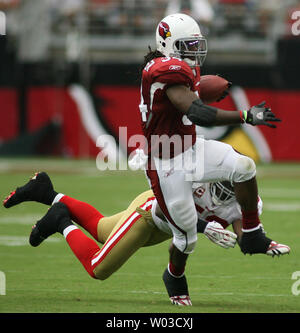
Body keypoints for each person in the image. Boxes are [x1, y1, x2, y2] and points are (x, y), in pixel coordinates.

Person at [138, 12, 284, 302]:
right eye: (188, 46)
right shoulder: (165, 70)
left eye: (196, 44)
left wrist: (200, 87)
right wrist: (244, 115)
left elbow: (191, 97)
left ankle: (252, 232)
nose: (195, 51)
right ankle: (174, 275)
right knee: (186, 239)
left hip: (190, 148)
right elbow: (197, 112)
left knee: (244, 166)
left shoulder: (181, 69)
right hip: (167, 164)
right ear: (169, 45)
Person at [3, 172, 289, 306]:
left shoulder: (247, 200)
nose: (227, 194)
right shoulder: (194, 176)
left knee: (102, 229)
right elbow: (165, 210)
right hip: (151, 213)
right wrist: (203, 228)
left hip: (165, 226)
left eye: (235, 188)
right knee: (98, 268)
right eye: (223, 185)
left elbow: (245, 233)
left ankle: (44, 192)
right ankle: (59, 220)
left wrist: (263, 243)